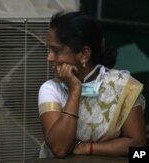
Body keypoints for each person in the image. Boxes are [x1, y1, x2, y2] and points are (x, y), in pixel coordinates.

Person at [38, 10, 146, 158]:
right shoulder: (51, 89)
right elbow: (59, 149)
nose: (49, 58)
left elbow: (140, 151)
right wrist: (75, 90)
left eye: (56, 50)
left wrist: (86, 148)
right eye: (48, 50)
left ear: (84, 54)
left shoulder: (124, 87)